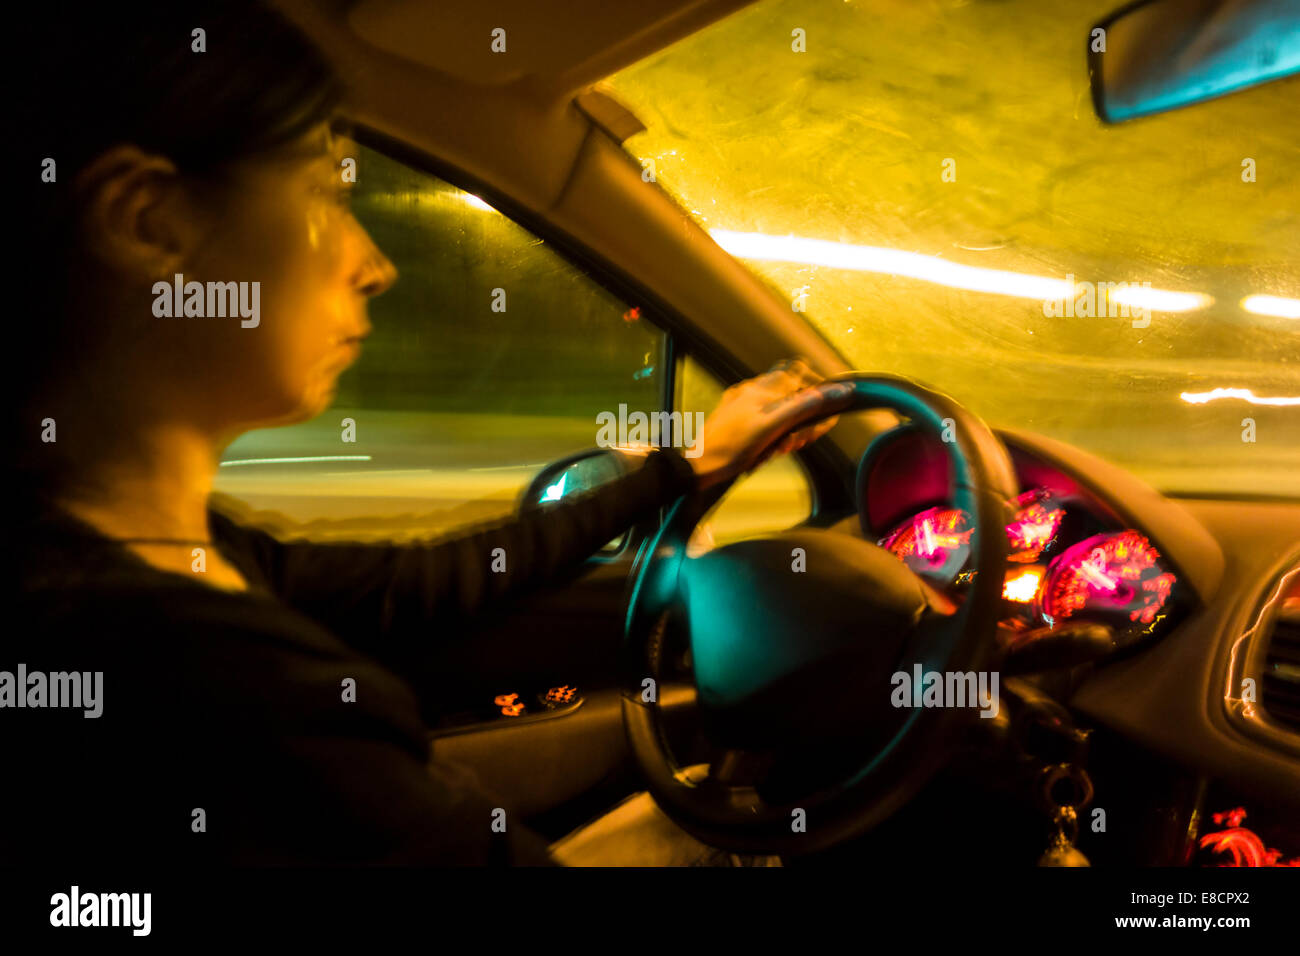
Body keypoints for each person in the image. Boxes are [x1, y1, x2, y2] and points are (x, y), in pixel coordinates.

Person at [8, 0, 849, 866]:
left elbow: (414, 586)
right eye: (327, 193)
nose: (376, 265)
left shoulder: (159, 554)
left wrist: (696, 461)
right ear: (148, 220)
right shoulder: (222, 687)